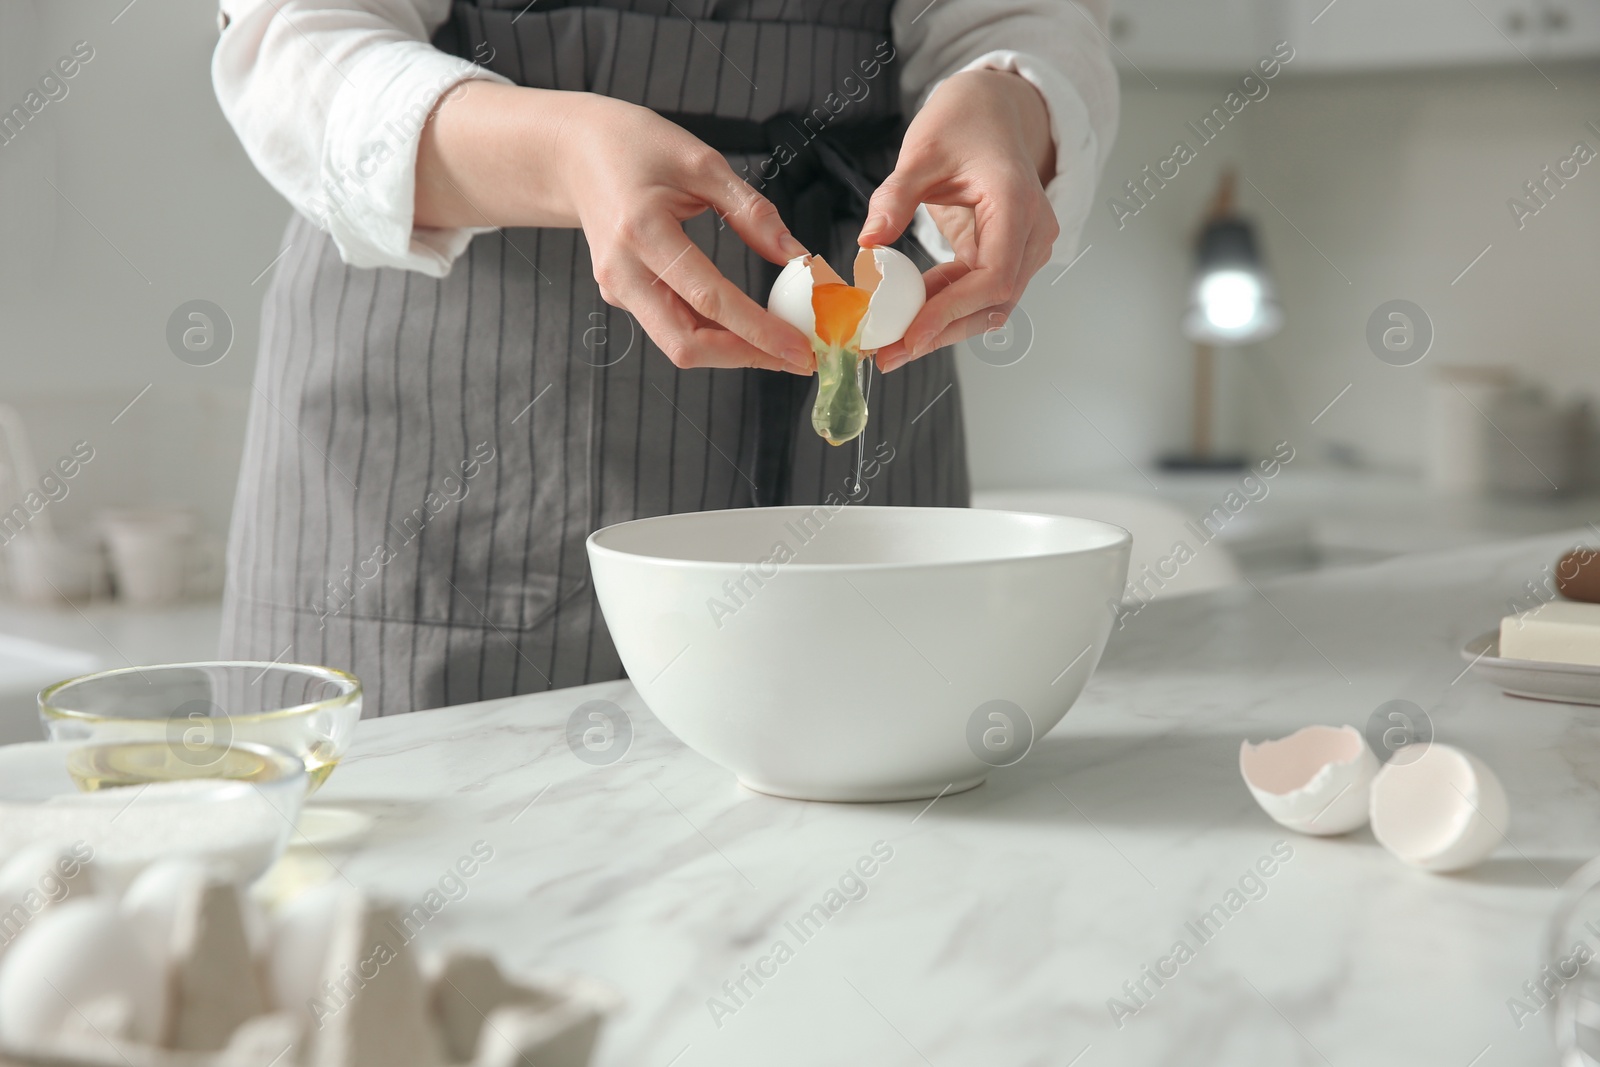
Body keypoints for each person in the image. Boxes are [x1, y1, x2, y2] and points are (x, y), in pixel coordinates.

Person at [211, 0, 1118, 715]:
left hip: (848, 449)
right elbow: (296, 41)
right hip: (449, 446)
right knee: (392, 927)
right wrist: (561, 156)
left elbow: (1026, 17)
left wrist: (1012, 103)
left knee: (846, 909)